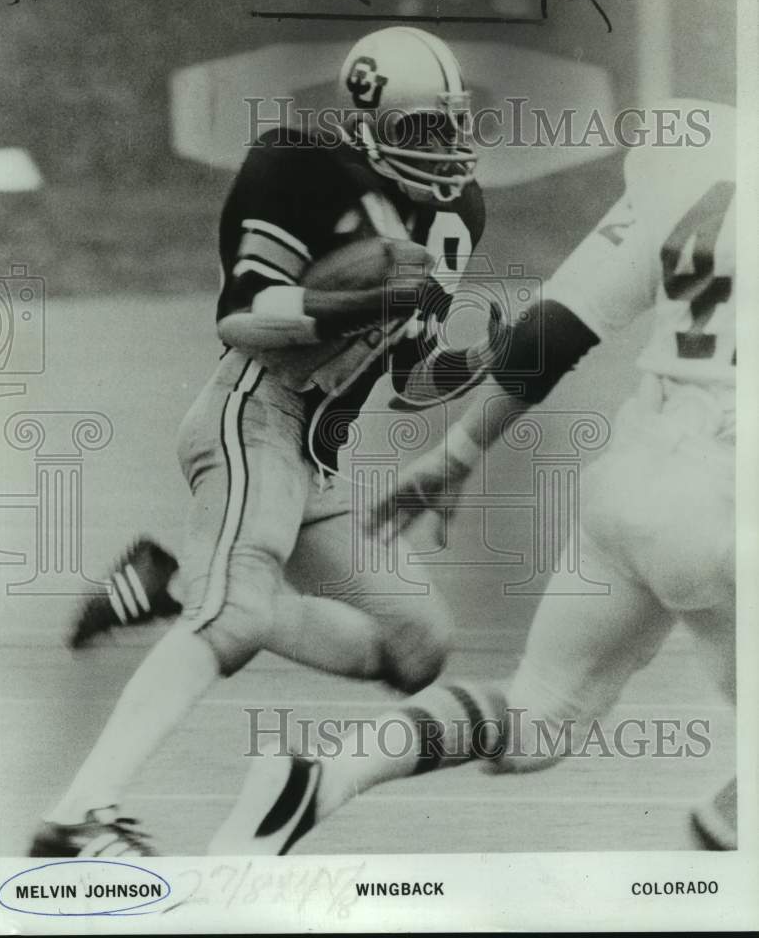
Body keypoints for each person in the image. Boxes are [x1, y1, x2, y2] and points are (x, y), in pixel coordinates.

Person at [207, 99, 738, 854]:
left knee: (536, 719)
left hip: (633, 478)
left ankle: (320, 776)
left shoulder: (700, 154)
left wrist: (455, 454)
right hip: (730, 499)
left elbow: (555, 325)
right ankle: (719, 858)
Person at [29, 26, 490, 857]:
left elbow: (410, 376)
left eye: (455, 122)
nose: (448, 145)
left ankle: (175, 586)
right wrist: (363, 302)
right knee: (235, 613)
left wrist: (471, 364)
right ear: (366, 120)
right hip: (252, 417)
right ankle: (75, 816)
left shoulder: (459, 211)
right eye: (424, 127)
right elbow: (242, 315)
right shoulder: (300, 164)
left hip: (316, 457)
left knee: (419, 645)